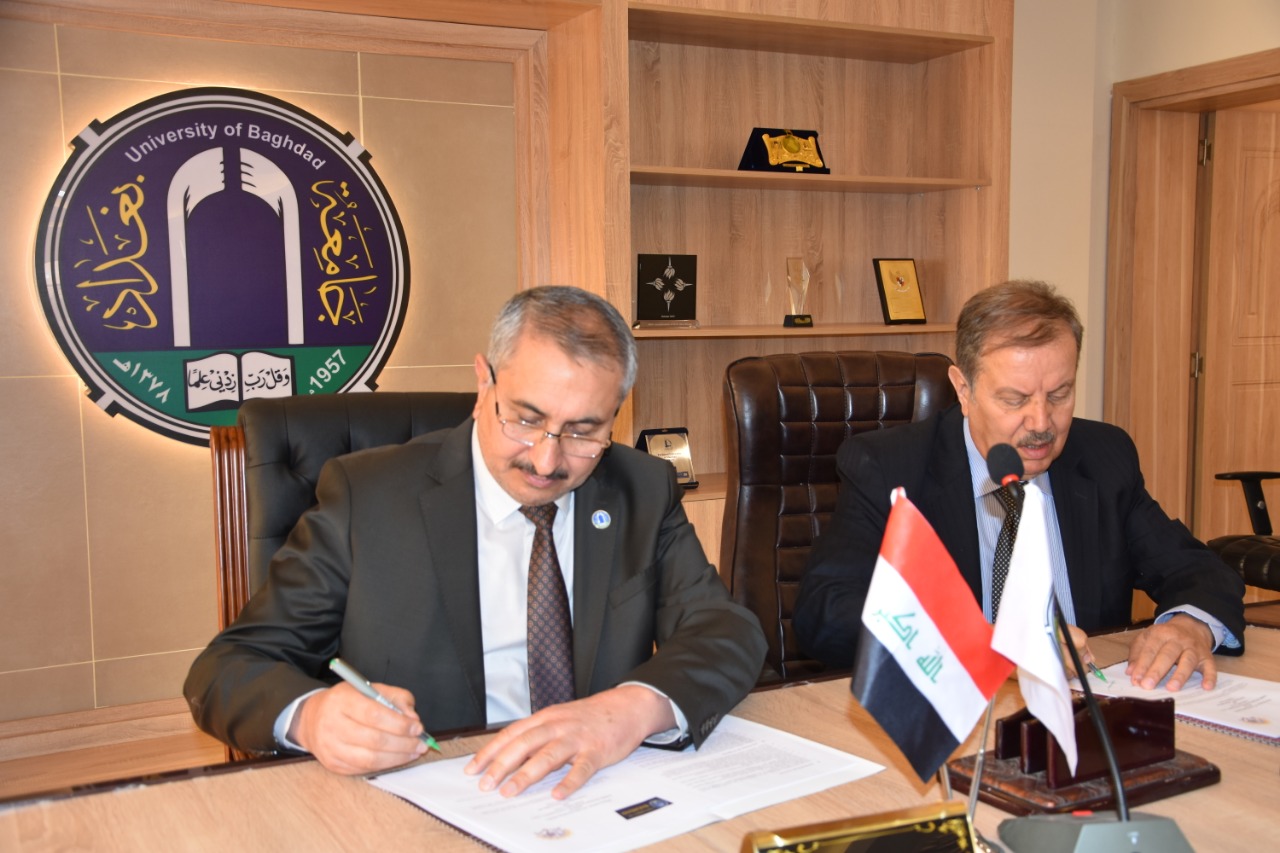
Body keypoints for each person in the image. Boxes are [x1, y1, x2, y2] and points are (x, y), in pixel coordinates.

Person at [185, 285, 766, 799]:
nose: (547, 461)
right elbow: (226, 668)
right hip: (434, 792)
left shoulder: (641, 488)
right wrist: (311, 717)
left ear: (615, 413)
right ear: (484, 382)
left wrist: (631, 709)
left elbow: (726, 630)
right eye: (526, 419)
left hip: (594, 792)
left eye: (583, 431)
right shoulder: (368, 497)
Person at [794, 280, 1244, 692]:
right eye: (1015, 399)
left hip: (1084, 707)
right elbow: (826, 613)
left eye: (1060, 394)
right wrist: (982, 644)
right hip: (951, 709)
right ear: (963, 390)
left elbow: (1196, 569)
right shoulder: (891, 468)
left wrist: (1190, 625)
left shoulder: (1103, 458)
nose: (1042, 422)